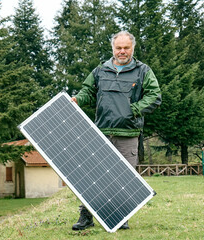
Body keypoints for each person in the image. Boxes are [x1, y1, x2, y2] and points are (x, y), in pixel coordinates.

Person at [71, 31, 162, 230]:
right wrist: (78, 99)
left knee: (125, 178)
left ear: (132, 48)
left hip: (128, 135)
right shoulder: (100, 71)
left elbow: (155, 96)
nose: (122, 52)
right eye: (118, 48)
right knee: (93, 176)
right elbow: (88, 91)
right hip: (101, 133)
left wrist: (133, 110)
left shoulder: (143, 71)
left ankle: (121, 217)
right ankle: (86, 217)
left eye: (126, 48)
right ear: (113, 48)